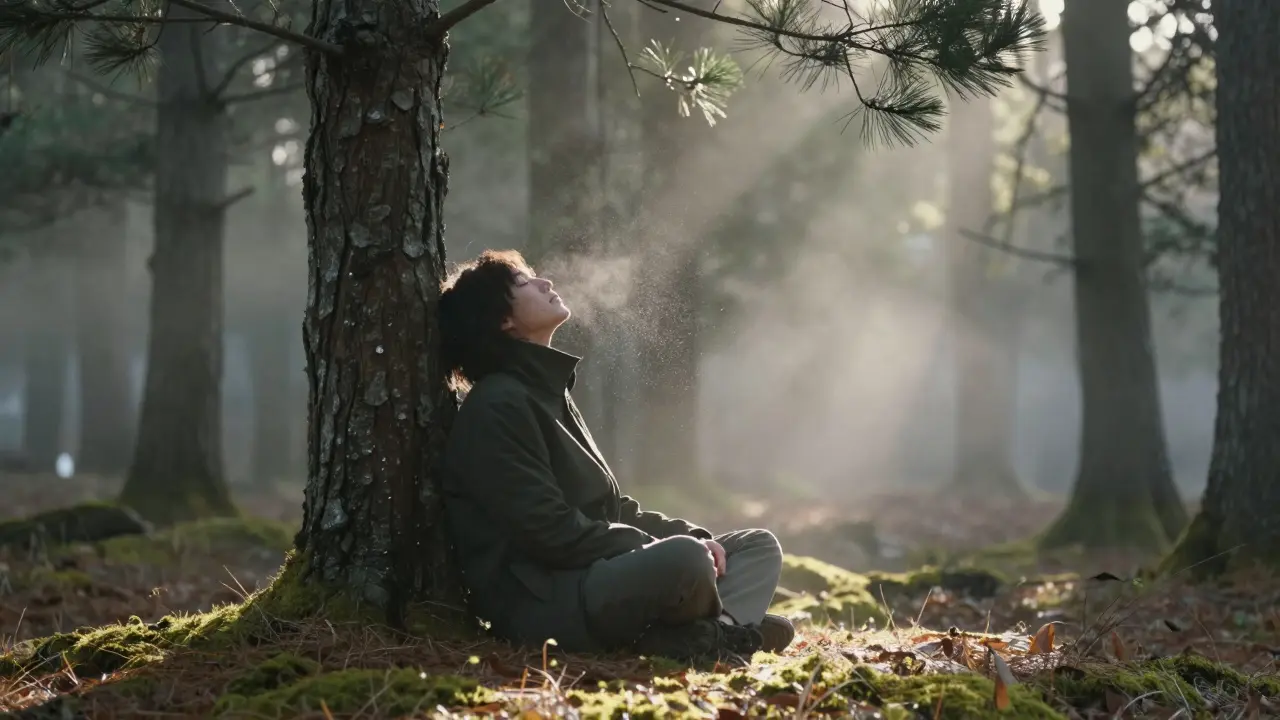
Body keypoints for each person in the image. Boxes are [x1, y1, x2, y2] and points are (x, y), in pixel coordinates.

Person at [438, 249, 795, 662]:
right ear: (504, 321)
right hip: (548, 601)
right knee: (684, 560)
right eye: (523, 282)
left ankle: (714, 634)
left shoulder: (547, 392)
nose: (545, 283)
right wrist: (663, 548)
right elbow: (549, 531)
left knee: (756, 547)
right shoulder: (498, 405)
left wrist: (697, 537)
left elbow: (612, 509)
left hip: (595, 576)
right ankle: (723, 628)